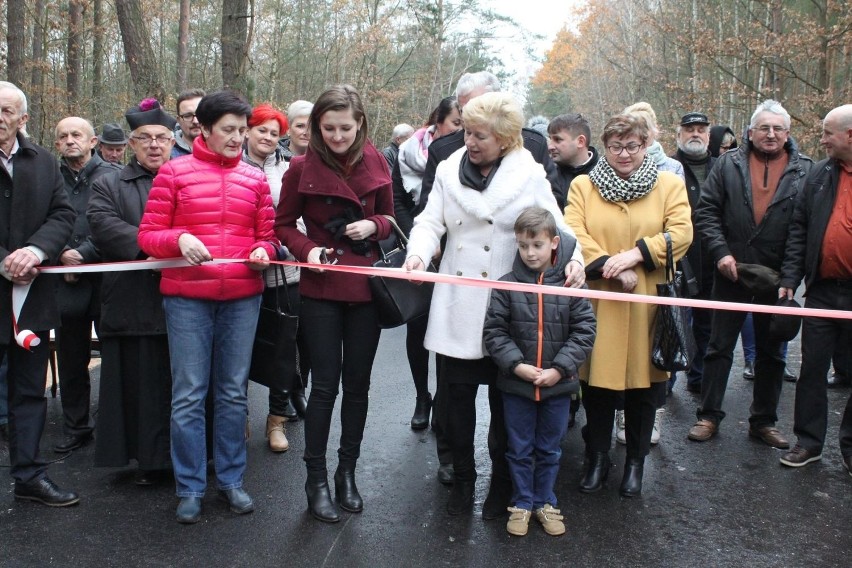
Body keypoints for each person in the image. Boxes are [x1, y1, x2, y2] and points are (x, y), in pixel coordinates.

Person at [405, 92, 585, 518]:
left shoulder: (528, 172)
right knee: (456, 404)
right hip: (459, 302)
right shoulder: (449, 169)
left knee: (510, 405)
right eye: (467, 132)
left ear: (504, 139)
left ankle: (503, 485)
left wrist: (574, 259)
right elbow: (430, 221)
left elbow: (556, 223)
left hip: (511, 309)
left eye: (480, 135)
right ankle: (462, 481)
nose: (470, 141)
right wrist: (418, 252)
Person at [138, 90, 277, 524]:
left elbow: (268, 237)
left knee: (234, 395)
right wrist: (177, 239)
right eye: (230, 130)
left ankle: (232, 481)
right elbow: (148, 235)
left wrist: (261, 251)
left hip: (242, 298)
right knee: (189, 396)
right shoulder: (174, 174)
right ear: (205, 128)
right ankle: (190, 487)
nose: (239, 138)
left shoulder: (255, 179)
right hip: (186, 300)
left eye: (243, 130)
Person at [275, 84, 394, 524]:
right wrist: (307, 252)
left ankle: (348, 473)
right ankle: (316, 479)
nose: (338, 136)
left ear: (360, 123)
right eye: (329, 128)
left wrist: (372, 225)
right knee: (325, 386)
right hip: (321, 284)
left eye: (346, 127)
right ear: (315, 128)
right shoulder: (301, 167)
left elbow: (391, 218)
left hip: (365, 286)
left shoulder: (378, 161)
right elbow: (283, 223)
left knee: (358, 385)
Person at [565, 113, 692, 497]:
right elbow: (573, 232)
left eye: (632, 146)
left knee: (645, 388)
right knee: (598, 387)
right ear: (604, 147)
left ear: (645, 145)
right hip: (601, 302)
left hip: (647, 302)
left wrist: (636, 256)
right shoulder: (583, 186)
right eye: (616, 146)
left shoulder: (669, 184)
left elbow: (681, 232)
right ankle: (597, 458)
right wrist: (609, 266)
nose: (624, 154)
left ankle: (635, 463)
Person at [687, 99, 812, 448]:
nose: (770, 134)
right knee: (718, 347)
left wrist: (791, 278)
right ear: (751, 131)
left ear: (787, 133)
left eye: (777, 128)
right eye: (764, 128)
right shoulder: (728, 164)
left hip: (777, 279)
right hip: (732, 273)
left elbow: (803, 230)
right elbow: (707, 212)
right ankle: (709, 415)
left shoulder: (805, 169)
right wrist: (721, 254)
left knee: (772, 353)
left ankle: (763, 422)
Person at [484, 207, 595, 537]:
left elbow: (585, 331)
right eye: (522, 245)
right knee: (518, 448)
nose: (530, 253)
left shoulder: (572, 285)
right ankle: (521, 502)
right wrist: (517, 366)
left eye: (537, 245)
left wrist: (559, 370)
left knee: (550, 448)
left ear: (554, 244)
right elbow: (495, 332)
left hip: (558, 388)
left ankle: (545, 501)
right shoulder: (506, 285)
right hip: (517, 386)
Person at [88, 98, 177, 485]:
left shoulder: (186, 177)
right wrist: (159, 244)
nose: (154, 145)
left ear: (173, 142)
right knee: (139, 384)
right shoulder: (108, 182)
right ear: (131, 144)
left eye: (161, 138)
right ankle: (147, 458)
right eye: (145, 138)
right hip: (132, 300)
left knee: (180, 384)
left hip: (183, 299)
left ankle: (187, 456)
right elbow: (102, 225)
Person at [0, 80, 78, 506]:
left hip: (31, 298)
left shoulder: (44, 162)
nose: (0, 118)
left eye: (7, 111)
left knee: (29, 393)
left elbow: (63, 213)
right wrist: (4, 260)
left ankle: (29, 476)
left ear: (23, 119)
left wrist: (35, 250)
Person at [778, 104, 852, 473]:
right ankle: (809, 442)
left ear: (850, 136)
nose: (821, 139)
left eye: (828, 133)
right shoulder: (820, 175)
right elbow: (799, 229)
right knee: (812, 369)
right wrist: (790, 280)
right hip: (822, 290)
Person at [392, 95, 462, 432]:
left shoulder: (464, 159)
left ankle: (446, 405)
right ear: (438, 123)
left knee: (449, 331)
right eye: (457, 123)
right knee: (417, 328)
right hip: (416, 250)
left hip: (452, 252)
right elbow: (398, 201)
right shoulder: (407, 154)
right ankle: (423, 396)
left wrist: (440, 241)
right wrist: (416, 241)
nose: (462, 131)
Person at [53, 117, 120, 454]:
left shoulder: (112, 176)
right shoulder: (50, 178)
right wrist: (60, 253)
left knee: (115, 353)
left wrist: (83, 253)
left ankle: (114, 425)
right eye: (62, 136)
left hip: (108, 279)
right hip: (65, 281)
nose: (69, 141)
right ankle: (76, 425)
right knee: (71, 356)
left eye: (76, 135)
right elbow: (44, 220)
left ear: (93, 140)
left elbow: (114, 222)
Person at [242, 102, 301, 450]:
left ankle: (276, 420)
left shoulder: (291, 168)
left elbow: (299, 219)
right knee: (241, 354)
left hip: (285, 275)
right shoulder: (231, 165)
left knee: (283, 350)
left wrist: (279, 249)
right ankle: (240, 419)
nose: (266, 136)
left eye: (273, 132)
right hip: (241, 277)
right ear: (247, 130)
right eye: (260, 129)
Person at [670, 112, 717, 394]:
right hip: (678, 259)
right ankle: (668, 383)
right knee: (674, 324)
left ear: (709, 136)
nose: (695, 134)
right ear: (679, 135)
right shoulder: (668, 168)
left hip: (713, 259)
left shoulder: (723, 167)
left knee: (707, 325)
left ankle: (699, 379)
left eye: (701, 129)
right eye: (689, 130)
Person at [278, 99, 314, 417]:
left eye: (311, 125)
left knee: (310, 336)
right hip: (284, 263)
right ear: (289, 128)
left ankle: (302, 388)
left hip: (316, 264)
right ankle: (285, 393)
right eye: (300, 125)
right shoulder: (276, 160)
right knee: (285, 336)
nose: (306, 132)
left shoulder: (326, 161)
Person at [547, 113, 600, 203]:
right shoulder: (548, 177)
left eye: (557, 140)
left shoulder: (605, 175)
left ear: (580, 141)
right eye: (550, 139)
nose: (550, 147)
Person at [171, 88, 205, 158]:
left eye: (200, 114)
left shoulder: (222, 150)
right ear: (178, 120)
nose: (195, 121)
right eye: (188, 116)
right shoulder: (167, 153)